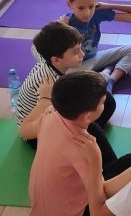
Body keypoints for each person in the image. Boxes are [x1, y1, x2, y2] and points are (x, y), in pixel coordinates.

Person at [24, 70, 131, 216]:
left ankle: (109, 171)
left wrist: (44, 98)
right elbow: (98, 209)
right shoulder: (83, 152)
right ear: (87, 115)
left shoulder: (50, 113)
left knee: (92, 128)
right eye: (102, 102)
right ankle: (119, 173)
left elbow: (24, 130)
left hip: (44, 205)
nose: (105, 102)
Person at [16, 21, 116, 149]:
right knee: (100, 109)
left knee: (106, 99)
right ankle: (79, 142)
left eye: (80, 48)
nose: (82, 54)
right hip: (36, 135)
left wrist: (60, 28)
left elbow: (34, 47)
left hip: (48, 111)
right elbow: (51, 114)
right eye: (75, 52)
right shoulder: (51, 83)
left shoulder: (47, 57)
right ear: (56, 59)